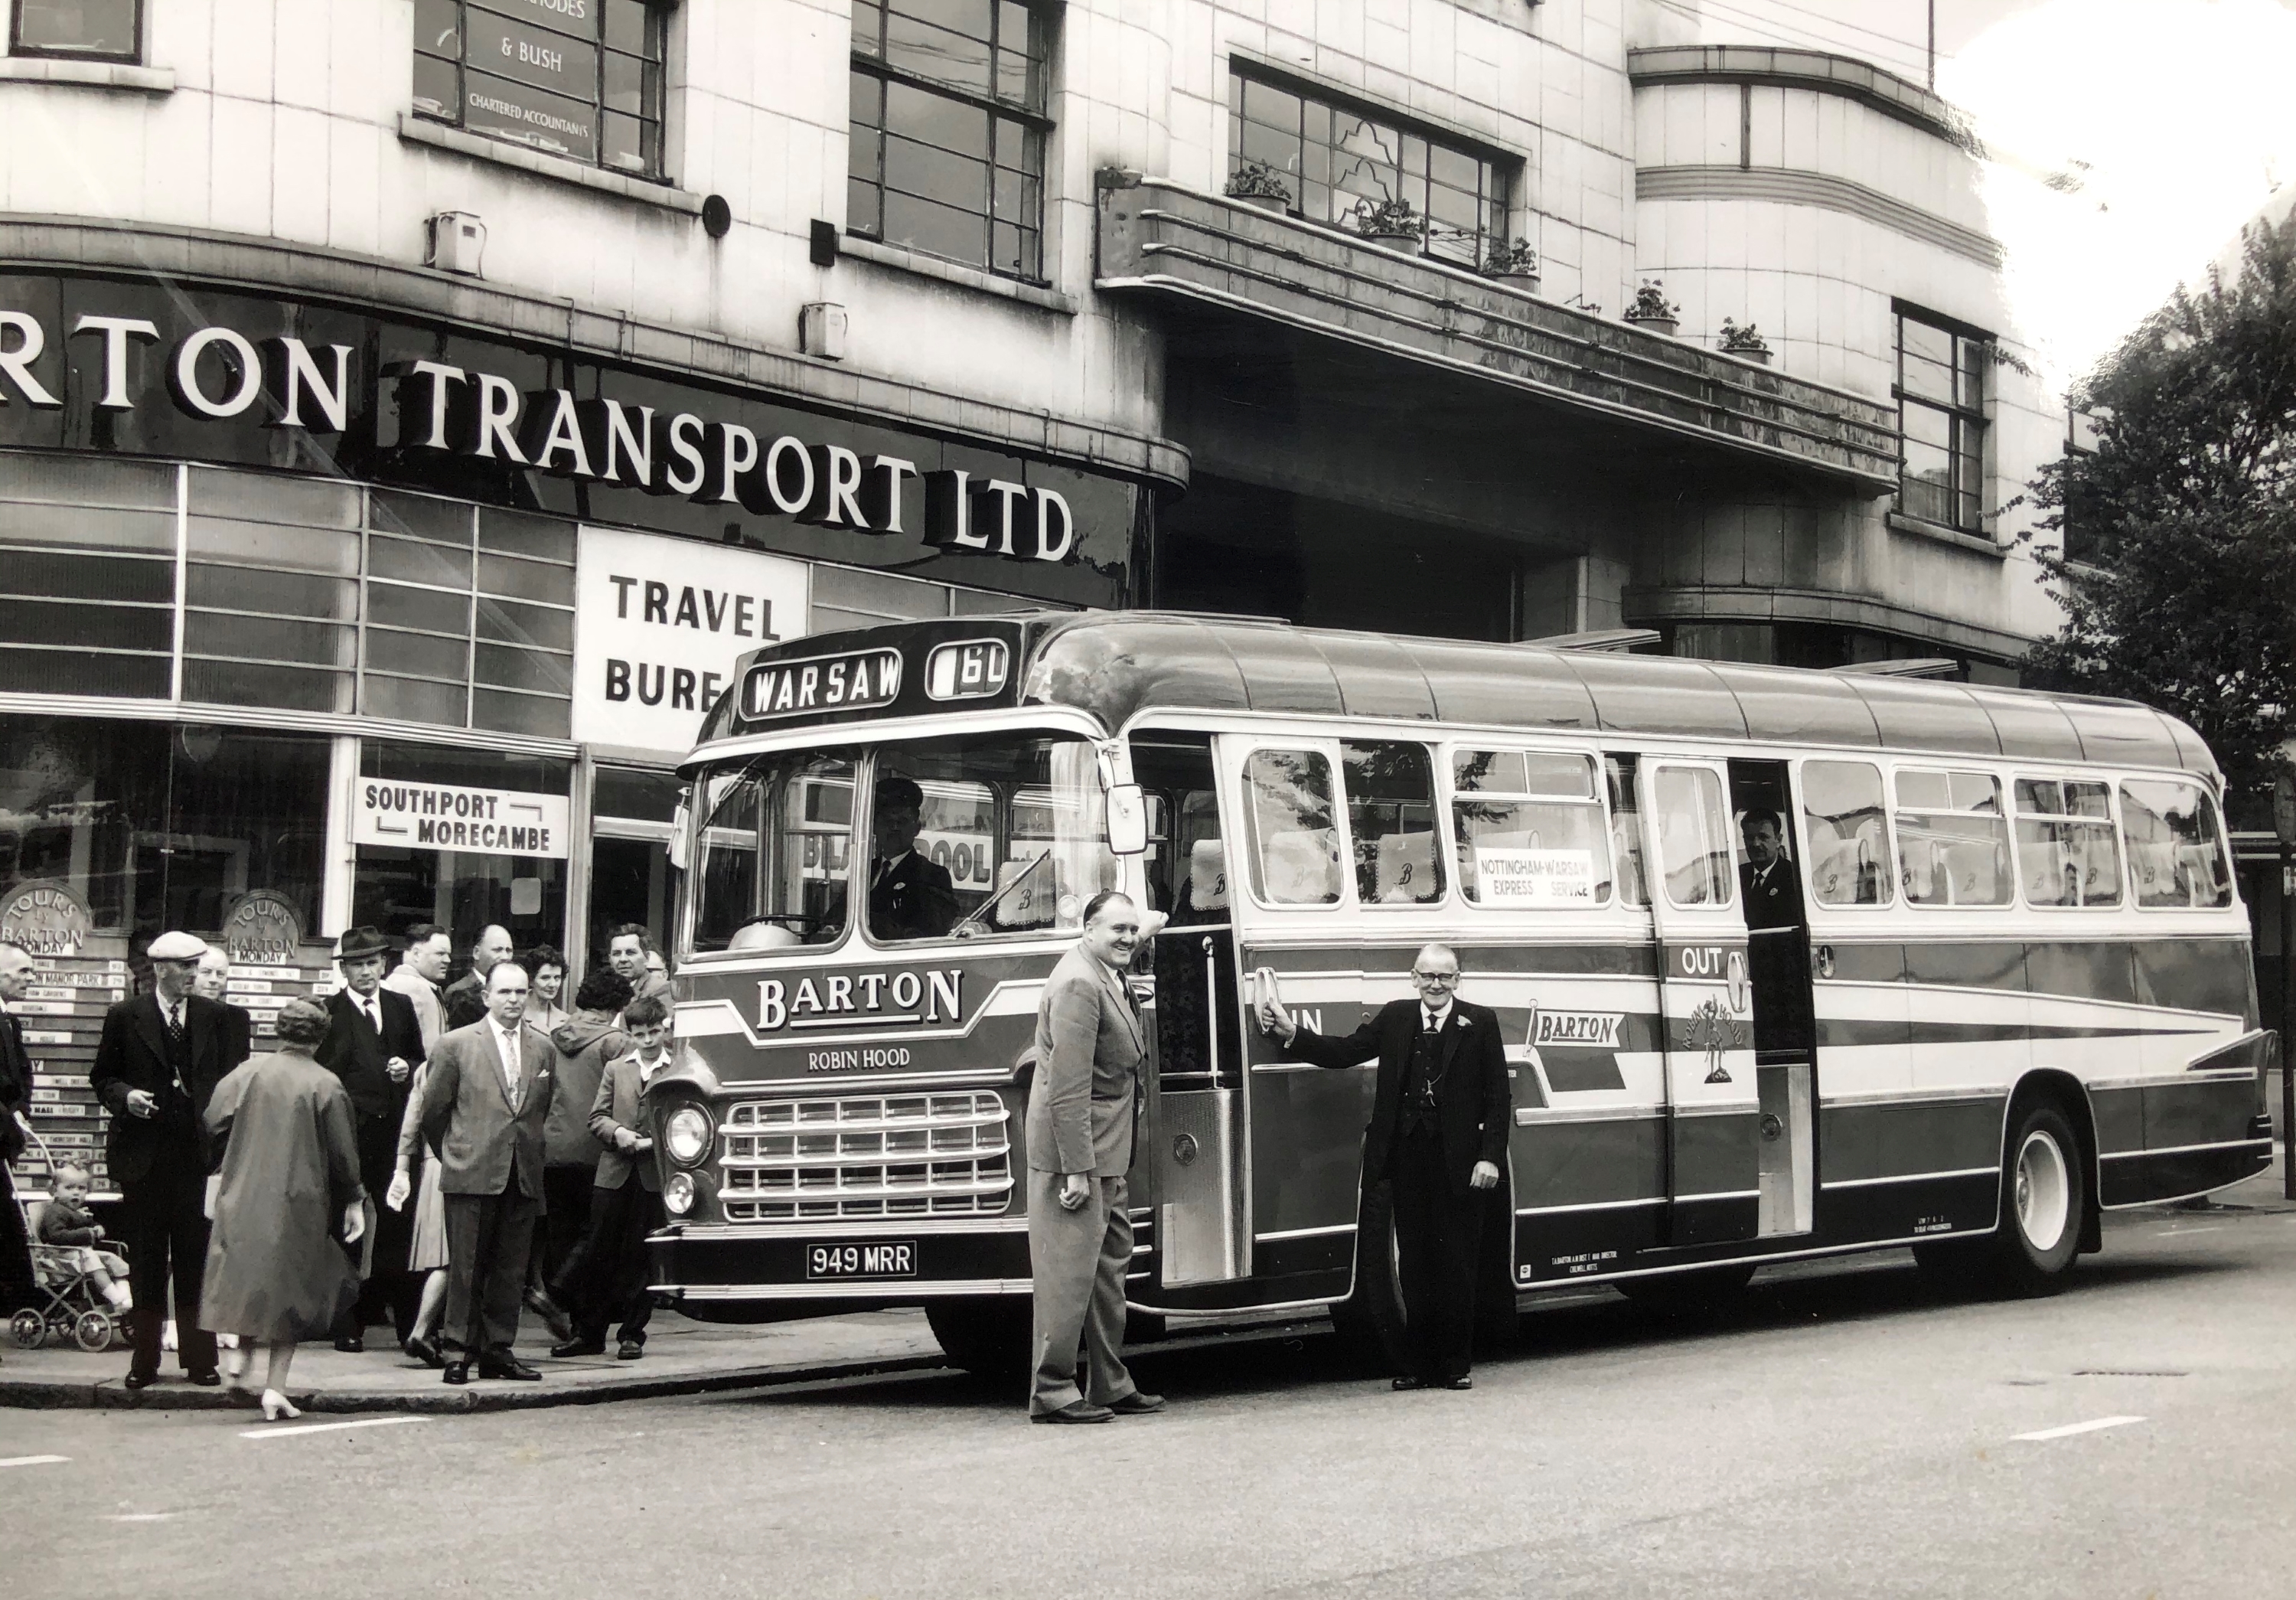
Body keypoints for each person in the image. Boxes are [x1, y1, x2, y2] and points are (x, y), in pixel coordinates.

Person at [1259, 943, 1508, 1391]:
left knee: (1457, 1262)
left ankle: (1455, 1366)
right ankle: (1418, 1366)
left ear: (1458, 980)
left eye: (1445, 977)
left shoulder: (1480, 1021)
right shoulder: (1396, 1017)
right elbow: (1346, 1051)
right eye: (1428, 977)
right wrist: (1292, 1032)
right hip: (1406, 1158)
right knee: (1413, 1263)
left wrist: (1489, 1156)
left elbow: (1498, 1095)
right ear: (1413, 978)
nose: (1436, 985)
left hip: (1461, 1162)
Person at [1024, 890, 1162, 1425]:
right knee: (1068, 1276)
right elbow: (1067, 1088)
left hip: (1108, 1150)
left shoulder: (1100, 966)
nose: (1128, 938)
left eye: (1133, 930)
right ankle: (1053, 1390)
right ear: (1087, 930)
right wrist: (1076, 1169)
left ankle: (1108, 1382)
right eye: (1117, 930)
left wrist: (1142, 925)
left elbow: (1138, 926)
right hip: (1077, 1158)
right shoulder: (1080, 983)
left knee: (1107, 1273)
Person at [200, 998, 366, 1422]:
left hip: (244, 1188)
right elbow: (343, 1154)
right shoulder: (325, 1083)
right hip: (299, 1198)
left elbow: (213, 1117)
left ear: (278, 1030)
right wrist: (354, 1198)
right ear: (321, 1037)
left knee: (248, 1277)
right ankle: (275, 1388)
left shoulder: (248, 1072)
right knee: (291, 1292)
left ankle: (239, 1361)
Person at [90, 930, 240, 1389]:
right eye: (188, 967)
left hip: (199, 1158)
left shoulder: (222, 1018)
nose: (197, 975)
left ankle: (201, 1360)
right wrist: (125, 1096)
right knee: (148, 1261)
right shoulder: (126, 1015)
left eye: (199, 966)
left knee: (198, 1262)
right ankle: (145, 1361)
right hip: (144, 1158)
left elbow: (237, 1084)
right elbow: (102, 1076)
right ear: (160, 969)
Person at [416, 961, 554, 1384]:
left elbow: (539, 1110)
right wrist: (458, 1153)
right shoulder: (456, 1045)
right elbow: (434, 1112)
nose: (513, 1000)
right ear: (486, 996)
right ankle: (458, 1351)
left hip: (522, 1170)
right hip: (470, 1169)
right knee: (466, 1267)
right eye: (504, 993)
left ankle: (498, 1350)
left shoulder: (543, 1048)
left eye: (520, 992)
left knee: (510, 1268)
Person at [315, 926, 426, 1351]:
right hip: (348, 1133)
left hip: (394, 1133)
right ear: (344, 969)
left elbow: (420, 1059)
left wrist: (408, 1068)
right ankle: (345, 1323)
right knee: (347, 1226)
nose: (366, 971)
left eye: (372, 963)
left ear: (384, 965)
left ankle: (405, 1325)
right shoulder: (329, 1012)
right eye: (357, 964)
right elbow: (323, 1075)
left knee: (398, 1221)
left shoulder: (400, 1005)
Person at [553, 991, 673, 1361]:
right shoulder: (617, 1068)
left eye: (655, 1032)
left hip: (654, 1174)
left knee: (641, 1255)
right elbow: (597, 1117)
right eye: (641, 1034)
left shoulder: (677, 1068)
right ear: (630, 1034)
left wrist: (656, 1141)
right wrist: (618, 1134)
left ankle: (632, 1333)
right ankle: (588, 1332)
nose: (649, 1041)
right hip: (614, 1172)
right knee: (598, 1250)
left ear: (664, 1030)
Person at [531, 968, 632, 1327]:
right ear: (615, 1007)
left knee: (562, 1233)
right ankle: (571, 1307)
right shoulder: (617, 1043)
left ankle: (566, 1314)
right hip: (598, 1152)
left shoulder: (551, 1039)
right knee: (599, 1237)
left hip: (553, 1149)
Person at [1738, 808, 1813, 1058]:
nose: (1755, 844)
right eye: (1749, 838)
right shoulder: (1739, 878)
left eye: (1763, 837)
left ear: (1779, 839)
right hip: (1747, 981)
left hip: (1780, 986)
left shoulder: (1793, 878)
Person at [867, 777, 960, 942]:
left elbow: (934, 931)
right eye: (888, 822)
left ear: (916, 828)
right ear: (875, 827)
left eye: (902, 822)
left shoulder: (932, 875)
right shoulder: (866, 871)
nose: (894, 828)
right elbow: (838, 916)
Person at [35, 1163, 132, 1311]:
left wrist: (96, 1228)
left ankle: (126, 1297)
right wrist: (87, 1233)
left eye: (81, 1188)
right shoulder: (55, 1212)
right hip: (59, 1256)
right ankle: (117, 1299)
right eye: (69, 1188)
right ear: (55, 1191)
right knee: (91, 1259)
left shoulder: (76, 1212)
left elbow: (87, 1224)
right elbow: (57, 1236)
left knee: (112, 1259)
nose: (76, 1193)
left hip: (77, 1254)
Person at [0, 939, 37, 1317]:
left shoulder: (10, 1020)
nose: (31, 977)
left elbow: (22, 1074)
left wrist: (21, 1109)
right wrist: (9, 1119)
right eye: (23, 970)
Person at [383, 923, 451, 1051]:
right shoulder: (420, 990)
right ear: (416, 954)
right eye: (440, 953)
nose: (447, 960)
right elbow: (430, 1051)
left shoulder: (392, 981)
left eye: (448, 954)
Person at [191, 947, 253, 1075]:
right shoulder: (177, 1012)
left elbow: (240, 1068)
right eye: (206, 972)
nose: (214, 980)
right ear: (192, 974)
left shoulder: (238, 1018)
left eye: (220, 974)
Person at [442, 924, 515, 1031]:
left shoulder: (515, 992)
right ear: (477, 953)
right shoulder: (459, 993)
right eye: (497, 950)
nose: (505, 957)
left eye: (509, 951)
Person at [604, 926, 670, 1003]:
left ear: (647, 957)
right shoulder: (605, 991)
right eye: (616, 954)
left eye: (631, 953)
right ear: (610, 959)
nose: (623, 959)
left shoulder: (660, 989)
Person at [524, 946, 571, 1033]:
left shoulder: (566, 1020)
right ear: (530, 980)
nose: (553, 984)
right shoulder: (516, 1013)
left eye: (557, 978)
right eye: (545, 978)